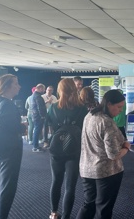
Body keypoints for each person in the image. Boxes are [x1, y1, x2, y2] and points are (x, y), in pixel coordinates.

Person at [77, 90, 131, 219]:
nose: (120, 110)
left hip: (86, 168)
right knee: (104, 208)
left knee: (88, 205)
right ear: (109, 104)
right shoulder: (107, 122)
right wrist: (126, 148)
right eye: (118, 107)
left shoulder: (89, 115)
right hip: (106, 172)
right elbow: (113, 154)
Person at [0, 74, 26, 219]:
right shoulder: (8, 105)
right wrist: (22, 127)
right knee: (7, 189)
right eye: (16, 84)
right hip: (10, 150)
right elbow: (12, 128)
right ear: (7, 86)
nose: (19, 86)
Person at [46, 79, 88, 219]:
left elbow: (50, 126)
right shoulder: (82, 108)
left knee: (56, 181)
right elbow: (84, 129)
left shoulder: (53, 107)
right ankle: (66, 216)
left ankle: (53, 212)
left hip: (56, 147)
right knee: (70, 186)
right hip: (74, 149)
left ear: (60, 90)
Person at [30, 83, 46, 152]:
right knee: (37, 131)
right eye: (43, 89)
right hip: (38, 117)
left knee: (36, 131)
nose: (44, 90)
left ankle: (35, 146)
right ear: (40, 88)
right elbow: (40, 107)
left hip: (35, 116)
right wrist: (42, 116)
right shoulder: (38, 96)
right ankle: (35, 147)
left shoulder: (33, 96)